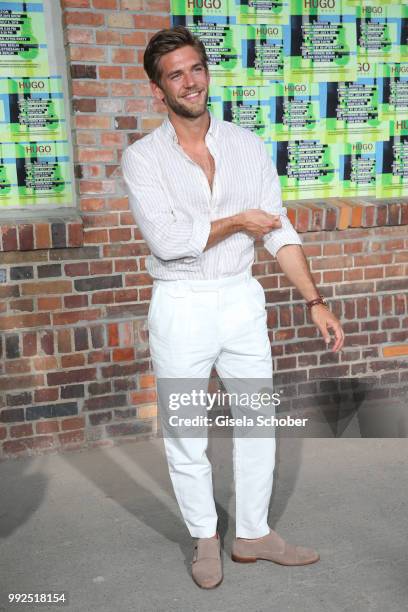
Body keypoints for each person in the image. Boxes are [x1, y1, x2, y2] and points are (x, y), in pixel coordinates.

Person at [121, 25, 345, 589]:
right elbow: (169, 243)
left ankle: (252, 534)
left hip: (241, 299)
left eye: (196, 68)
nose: (190, 81)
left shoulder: (246, 145)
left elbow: (277, 229)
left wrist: (314, 299)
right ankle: (204, 537)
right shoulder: (143, 159)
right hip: (181, 304)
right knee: (187, 430)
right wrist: (240, 220)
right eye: (176, 74)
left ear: (206, 72)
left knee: (256, 423)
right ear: (158, 89)